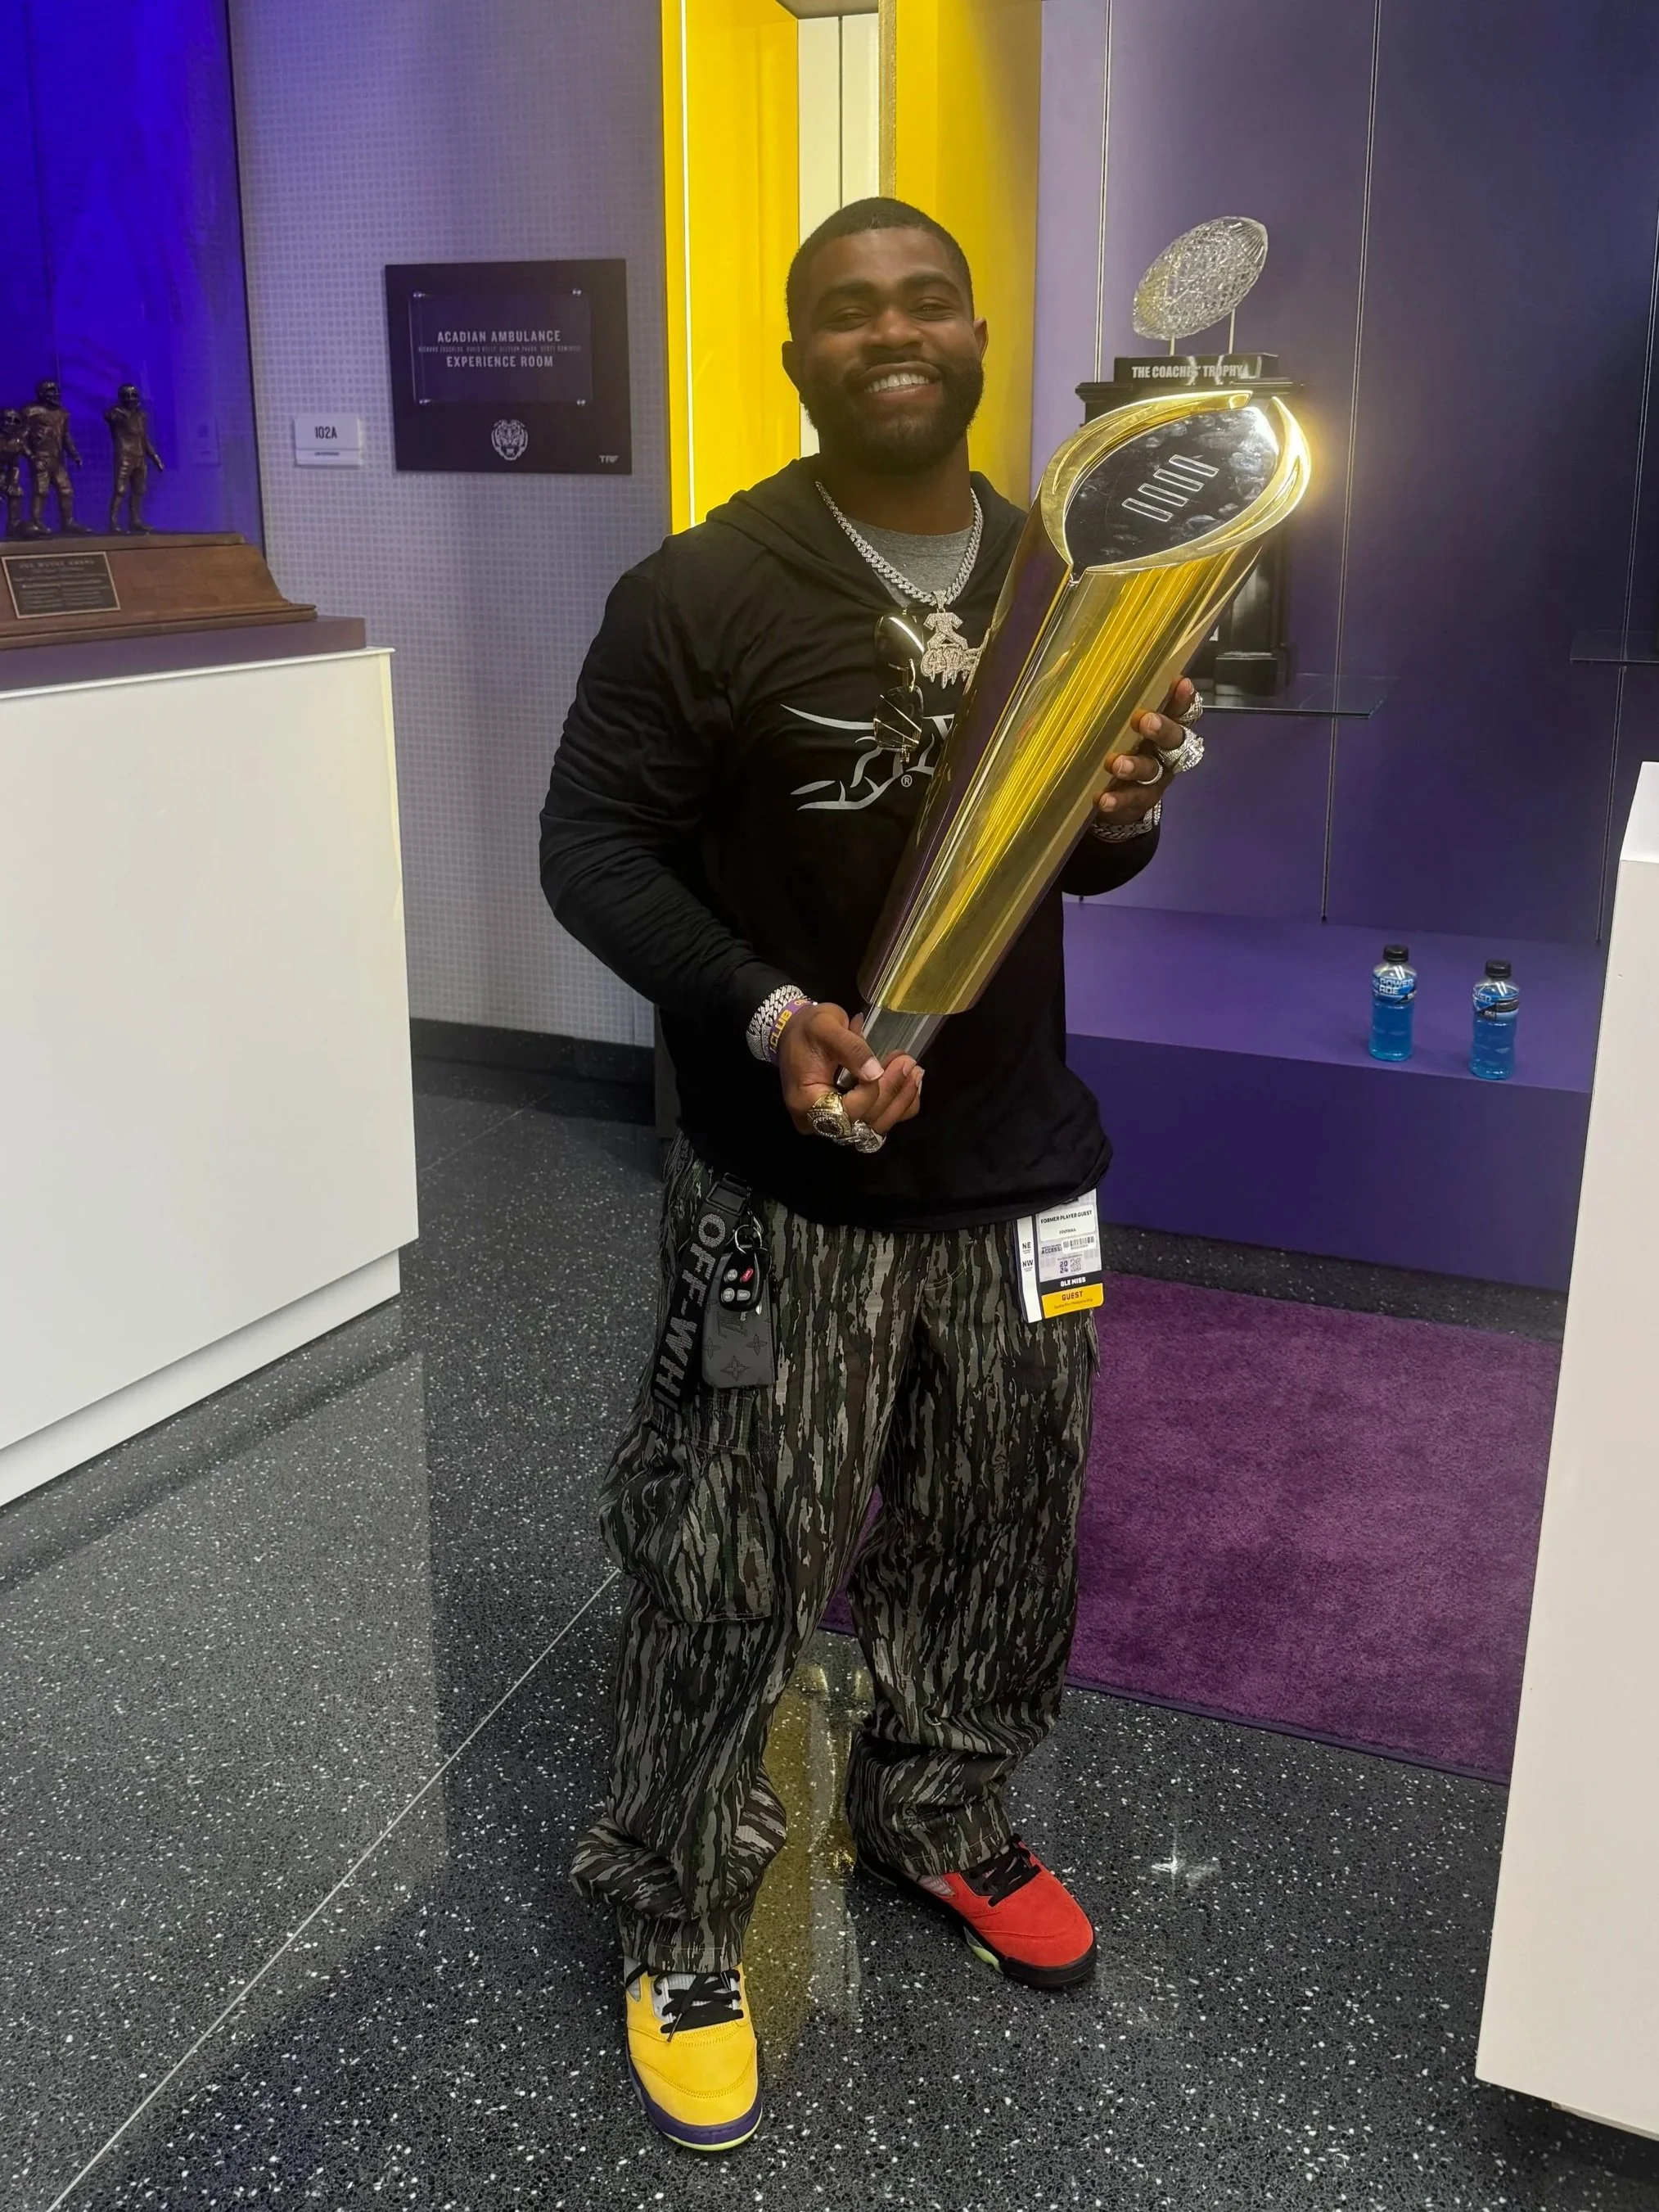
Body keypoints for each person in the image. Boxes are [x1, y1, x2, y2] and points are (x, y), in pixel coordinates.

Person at [539, 196, 1202, 2156]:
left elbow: (1081, 855)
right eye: (847, 310)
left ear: (981, 337)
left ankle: (936, 1807)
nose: (891, 333)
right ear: (794, 355)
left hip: (1014, 1168)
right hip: (790, 1185)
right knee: (729, 1554)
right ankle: (680, 1910)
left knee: (997, 1531)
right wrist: (765, 1011)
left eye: (925, 303)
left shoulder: (1063, 576)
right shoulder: (697, 590)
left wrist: (1124, 808)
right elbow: (591, 853)